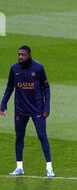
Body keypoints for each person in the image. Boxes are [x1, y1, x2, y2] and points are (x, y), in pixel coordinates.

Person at [0, 46, 55, 178]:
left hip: (37, 109)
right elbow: (9, 87)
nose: (20, 57)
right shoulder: (14, 69)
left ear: (29, 55)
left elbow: (46, 88)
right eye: (19, 54)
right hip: (20, 110)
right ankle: (19, 167)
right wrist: (3, 103)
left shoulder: (38, 68)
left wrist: (47, 107)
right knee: (19, 137)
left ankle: (49, 168)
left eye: (23, 55)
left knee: (42, 136)